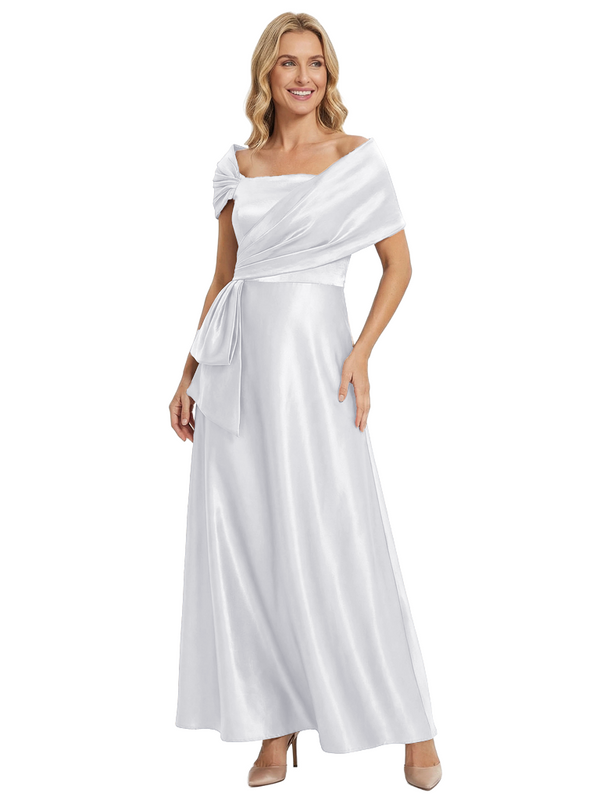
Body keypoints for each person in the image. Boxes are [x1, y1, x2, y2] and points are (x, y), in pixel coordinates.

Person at [169, 12, 442, 792]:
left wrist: (361, 352)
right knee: (250, 549)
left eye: (315, 64)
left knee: (339, 539)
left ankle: (414, 724)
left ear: (329, 75)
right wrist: (187, 373)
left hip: (318, 371)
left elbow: (399, 267)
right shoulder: (238, 166)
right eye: (288, 62)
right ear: (267, 72)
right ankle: (274, 726)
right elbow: (223, 278)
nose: (302, 77)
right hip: (236, 375)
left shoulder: (357, 160)